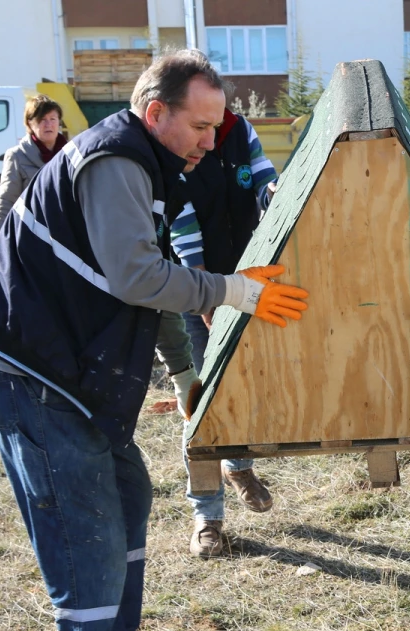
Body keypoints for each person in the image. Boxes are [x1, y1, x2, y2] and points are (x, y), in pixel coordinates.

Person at [0, 51, 309, 631]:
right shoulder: (117, 161)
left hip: (66, 365)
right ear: (157, 114)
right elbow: (137, 276)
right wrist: (233, 290)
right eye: (202, 126)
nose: (213, 141)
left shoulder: (150, 168)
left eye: (219, 127)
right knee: (84, 522)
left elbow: (143, 287)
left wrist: (185, 376)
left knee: (126, 493)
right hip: (29, 367)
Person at [169, 107, 280, 557]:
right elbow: (182, 226)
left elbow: (265, 181)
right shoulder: (177, 142)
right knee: (202, 401)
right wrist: (204, 296)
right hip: (196, 286)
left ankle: (239, 466)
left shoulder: (240, 132)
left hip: (250, 282)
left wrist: (277, 192)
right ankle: (207, 517)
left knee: (250, 385)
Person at [0, 94, 66, 237]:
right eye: (42, 120)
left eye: (52, 119)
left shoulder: (70, 155)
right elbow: (6, 201)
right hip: (31, 237)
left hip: (65, 240)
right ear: (30, 123)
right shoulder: (17, 156)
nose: (48, 125)